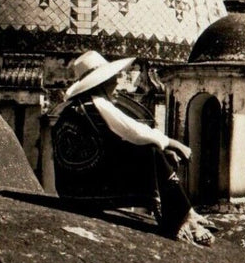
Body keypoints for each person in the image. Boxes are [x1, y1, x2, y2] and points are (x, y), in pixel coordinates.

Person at [54, 50, 215, 246]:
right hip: (89, 188)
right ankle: (182, 218)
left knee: (153, 151)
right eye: (113, 79)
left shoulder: (78, 107)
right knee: (151, 152)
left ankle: (187, 212)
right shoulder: (97, 104)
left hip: (72, 189)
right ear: (102, 83)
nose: (117, 85)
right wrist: (172, 143)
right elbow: (135, 132)